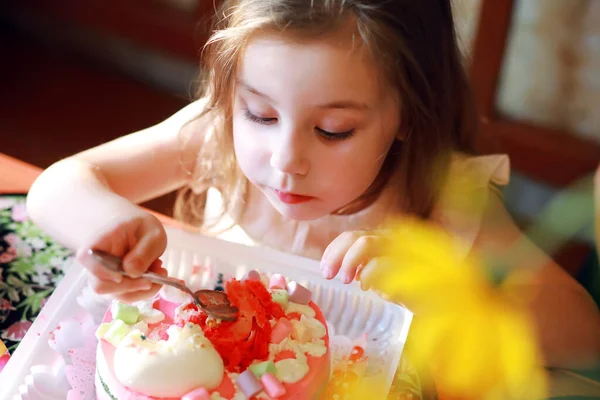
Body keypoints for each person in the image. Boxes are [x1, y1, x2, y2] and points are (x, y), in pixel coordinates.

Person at [26, 0, 599, 368]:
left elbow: (585, 338)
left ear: (407, 115)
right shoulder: (215, 136)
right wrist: (105, 224)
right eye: (260, 114)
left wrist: (438, 280)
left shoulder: (446, 199)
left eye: (333, 130)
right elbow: (58, 186)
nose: (286, 160)